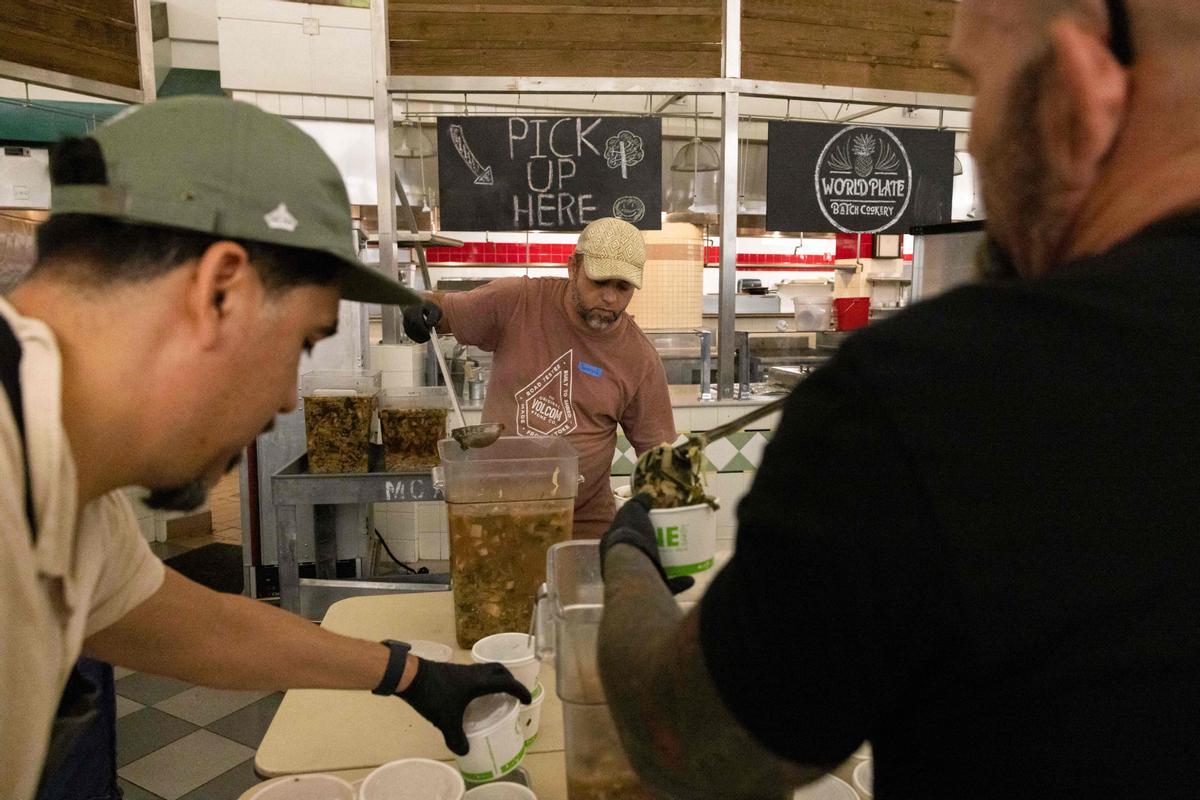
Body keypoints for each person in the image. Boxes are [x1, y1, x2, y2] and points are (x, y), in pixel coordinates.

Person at [595, 1, 1200, 798]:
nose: (976, 139)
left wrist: (626, 555)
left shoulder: (938, 395)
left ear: (1081, 90)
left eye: (979, 85)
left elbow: (682, 740)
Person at [1, 96, 529, 800]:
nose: (288, 399)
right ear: (222, 289)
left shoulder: (63, 471)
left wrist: (409, 675)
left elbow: (201, 628)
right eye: (304, 343)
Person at [402, 217, 676, 538]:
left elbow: (660, 458)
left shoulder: (638, 358)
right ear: (573, 267)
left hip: (583, 524)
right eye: (599, 282)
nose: (610, 298)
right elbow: (442, 309)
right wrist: (420, 309)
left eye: (623, 287)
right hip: (498, 512)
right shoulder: (517, 301)